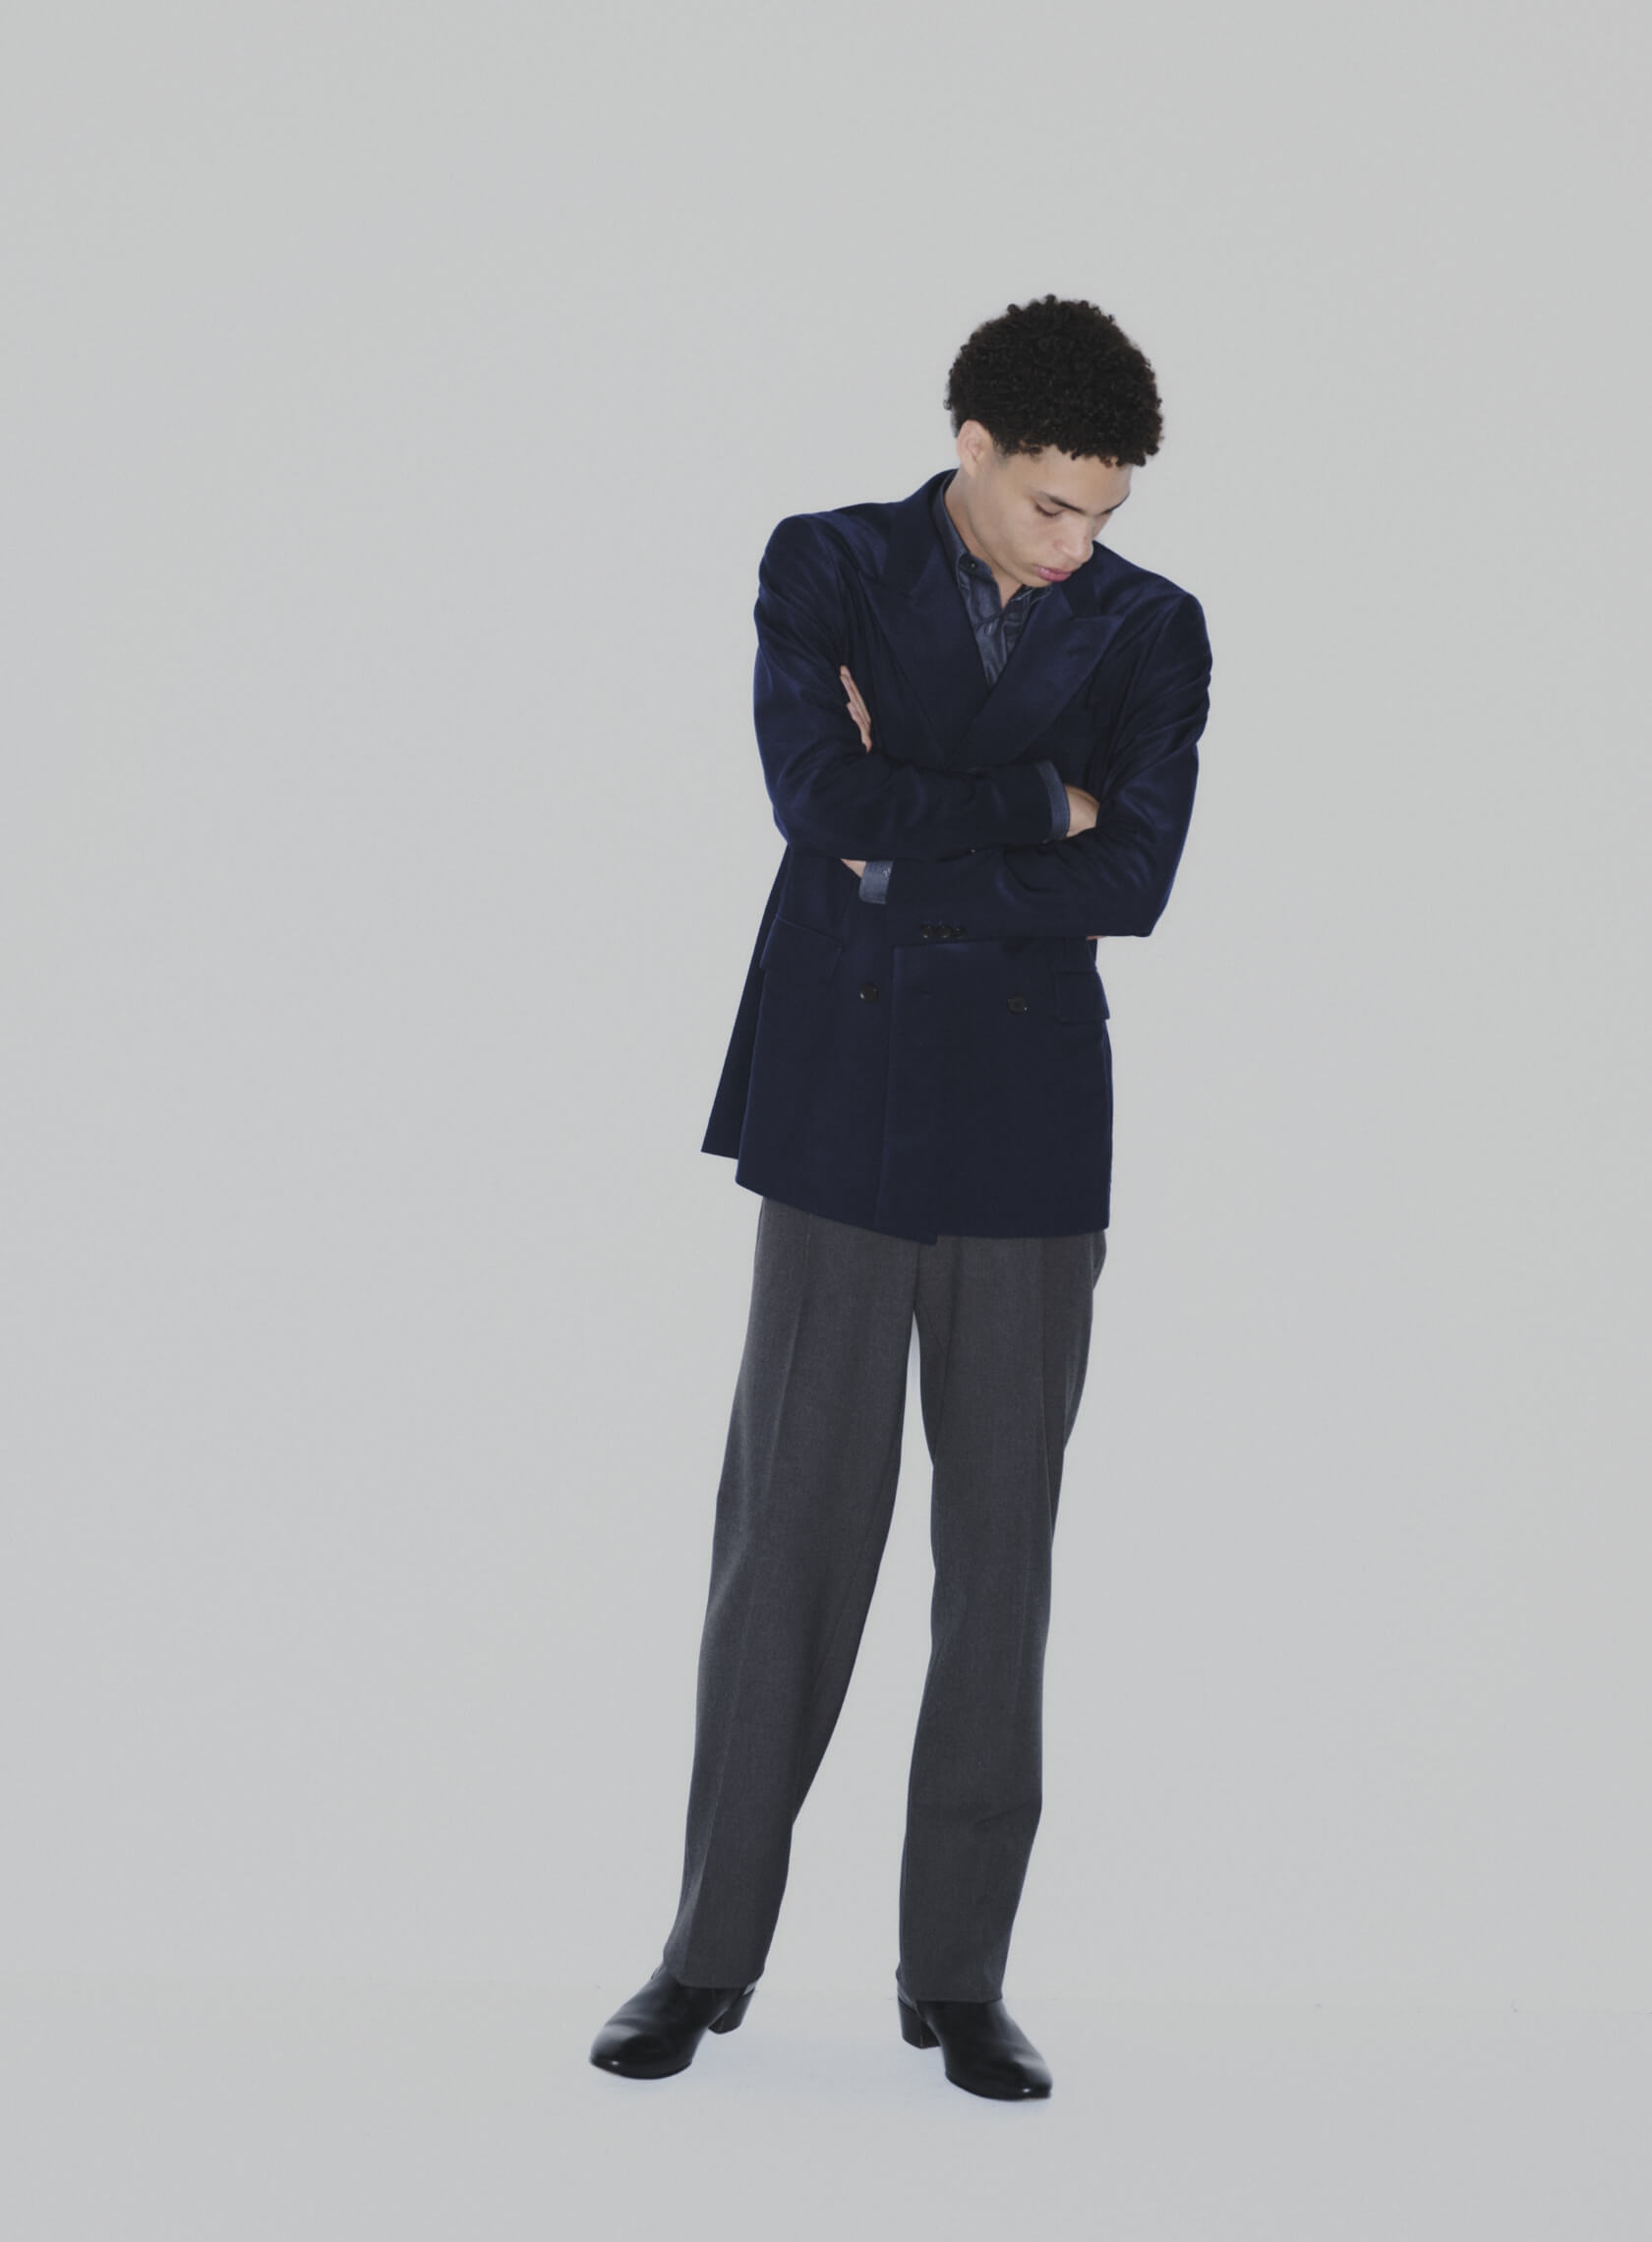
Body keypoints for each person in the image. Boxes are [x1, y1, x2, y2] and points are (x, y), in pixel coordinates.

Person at [589, 295, 1213, 2100]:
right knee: (786, 1544)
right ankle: (706, 1956)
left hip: (1030, 1128)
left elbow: (1137, 881)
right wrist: (1039, 804)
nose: (1077, 543)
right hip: (839, 1105)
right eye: (1051, 504)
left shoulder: (1156, 628)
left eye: (1104, 513)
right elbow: (814, 795)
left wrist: (903, 844)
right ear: (974, 446)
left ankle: (958, 1978)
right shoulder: (829, 564)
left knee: (1000, 1563)